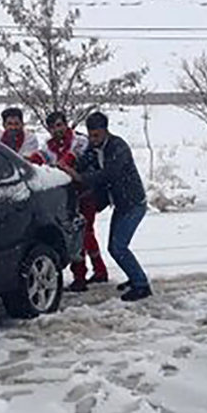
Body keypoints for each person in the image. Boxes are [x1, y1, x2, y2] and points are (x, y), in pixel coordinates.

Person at [58, 112, 151, 302]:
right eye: (90, 135)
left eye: (96, 135)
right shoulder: (95, 148)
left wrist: (80, 177)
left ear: (105, 131)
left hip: (133, 204)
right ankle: (134, 278)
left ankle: (141, 285)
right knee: (115, 246)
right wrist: (66, 167)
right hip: (121, 204)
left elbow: (109, 174)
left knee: (118, 247)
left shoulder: (118, 147)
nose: (92, 139)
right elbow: (84, 162)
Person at [42, 111, 109, 292]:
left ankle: (88, 274)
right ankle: (89, 272)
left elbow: (72, 158)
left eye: (60, 125)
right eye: (53, 127)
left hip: (86, 194)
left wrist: (63, 165)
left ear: (66, 125)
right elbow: (41, 158)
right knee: (76, 234)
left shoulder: (79, 141)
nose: (57, 130)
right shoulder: (48, 147)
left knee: (84, 233)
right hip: (66, 197)